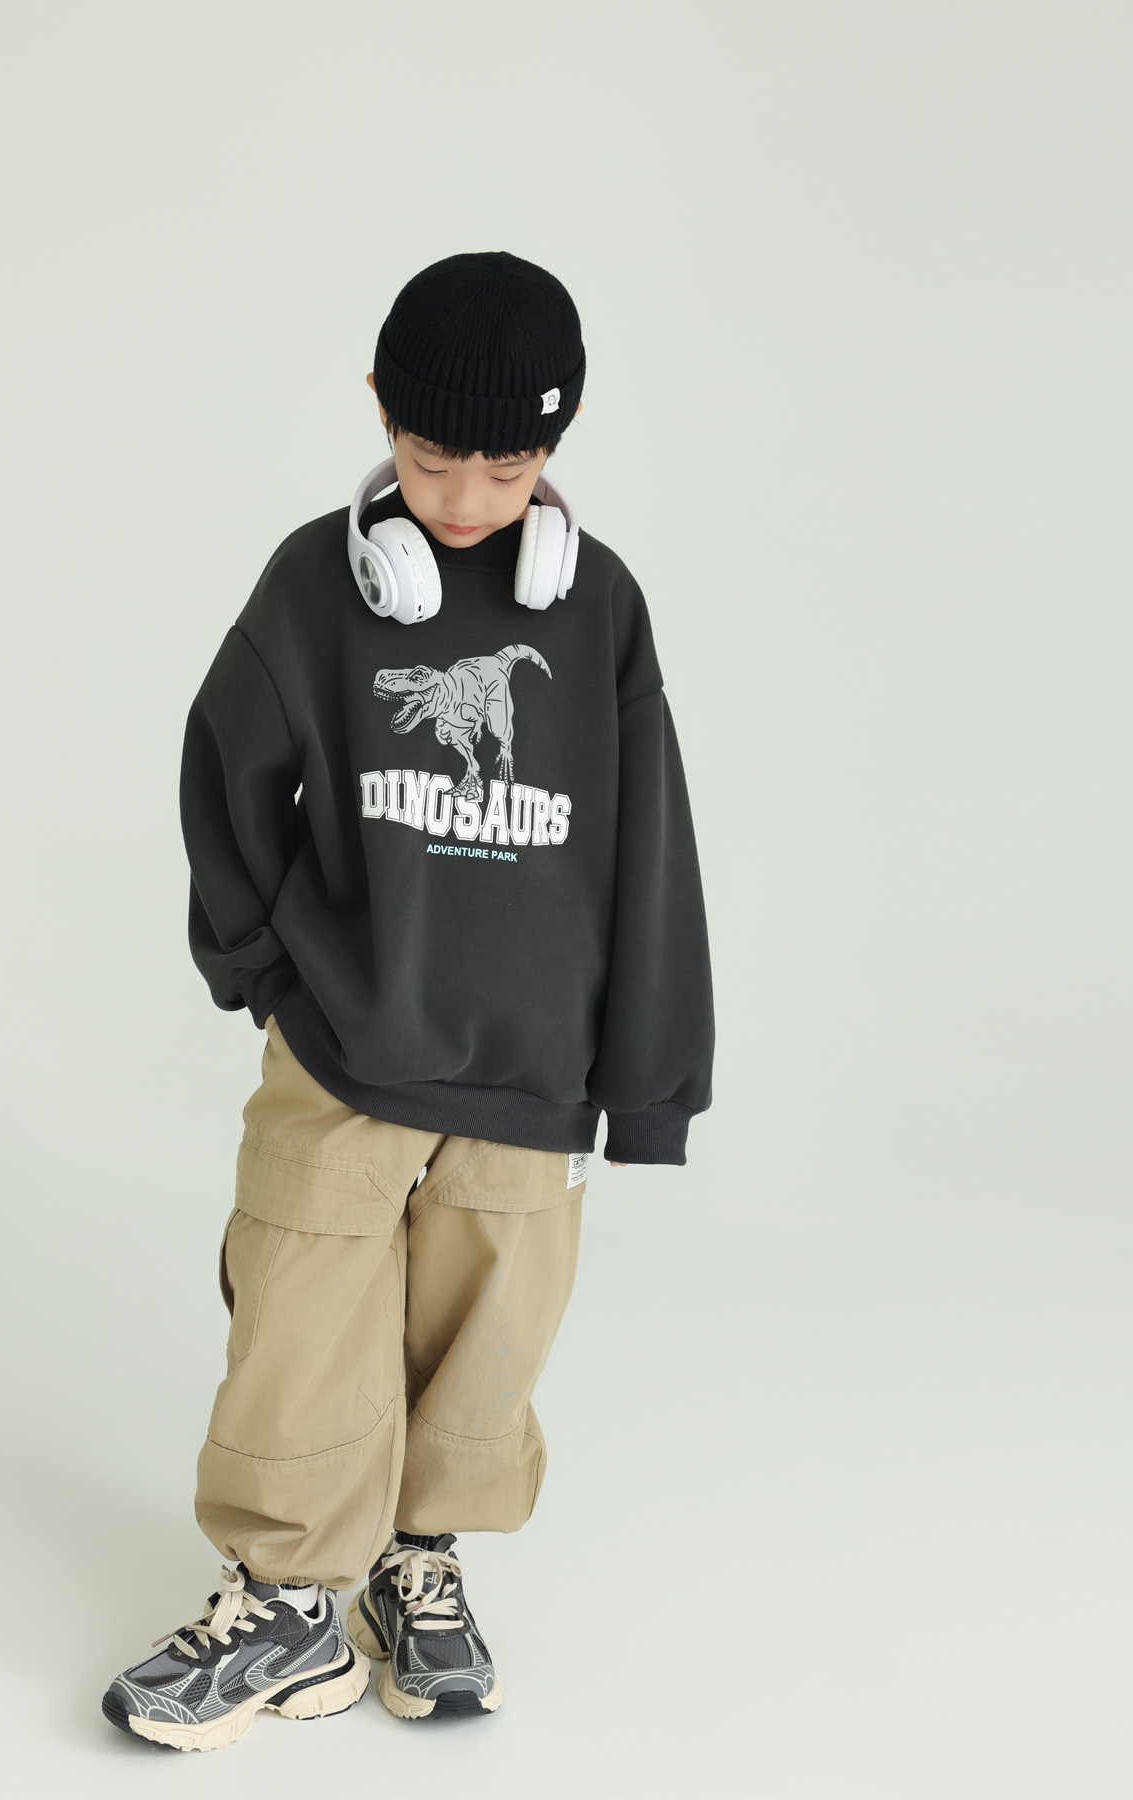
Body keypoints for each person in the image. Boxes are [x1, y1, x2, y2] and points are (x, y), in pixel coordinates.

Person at [101, 252, 715, 1750]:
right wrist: (262, 968)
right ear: (379, 409)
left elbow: (652, 847)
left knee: (484, 1337)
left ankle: (414, 1561)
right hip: (345, 1048)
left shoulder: (599, 607)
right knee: (303, 1310)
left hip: (530, 1071)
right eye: (434, 459)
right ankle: (289, 1597)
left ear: (557, 448)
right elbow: (225, 773)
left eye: (509, 470)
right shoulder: (320, 585)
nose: (465, 500)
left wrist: (646, 1081)